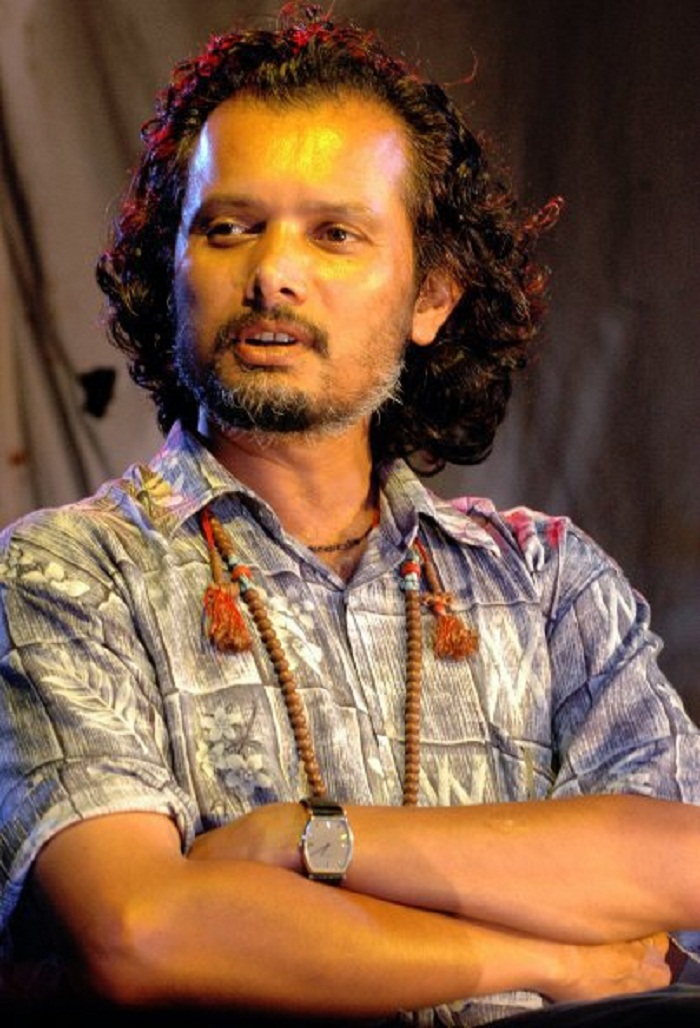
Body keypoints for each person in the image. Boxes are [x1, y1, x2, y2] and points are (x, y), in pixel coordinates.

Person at [1, 4, 699, 1025]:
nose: (272, 274)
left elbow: (679, 867)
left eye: (334, 234)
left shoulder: (547, 580)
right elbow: (143, 930)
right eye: (228, 228)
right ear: (172, 265)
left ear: (432, 296)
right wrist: (546, 959)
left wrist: (304, 837)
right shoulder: (65, 574)